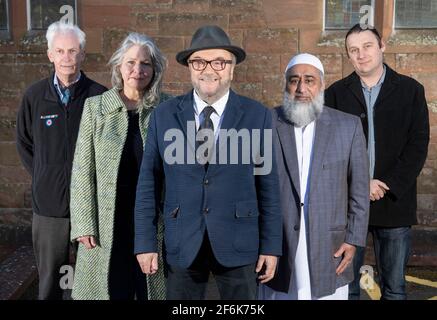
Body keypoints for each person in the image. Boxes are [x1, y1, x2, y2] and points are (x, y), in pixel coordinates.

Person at [134, 25, 282, 300]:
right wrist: (144, 243)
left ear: (231, 69)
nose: (209, 69)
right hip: (183, 241)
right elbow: (148, 183)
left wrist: (271, 247)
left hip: (240, 242)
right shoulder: (164, 115)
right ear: (190, 67)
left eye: (219, 62)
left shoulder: (256, 115)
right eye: (199, 62)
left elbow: (269, 186)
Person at [325, 24, 430, 300]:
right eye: (354, 50)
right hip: (348, 205)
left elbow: (417, 146)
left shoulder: (411, 91)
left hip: (393, 201)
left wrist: (387, 185)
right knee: (344, 288)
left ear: (382, 46)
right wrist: (359, 184)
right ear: (348, 55)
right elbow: (329, 150)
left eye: (367, 46)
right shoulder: (335, 94)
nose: (361, 54)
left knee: (394, 289)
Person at [259, 53, 369, 300]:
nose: (301, 88)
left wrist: (353, 239)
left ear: (321, 85)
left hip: (329, 244)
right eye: (294, 80)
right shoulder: (265, 122)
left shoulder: (348, 126)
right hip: (280, 244)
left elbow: (359, 190)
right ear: (285, 84)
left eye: (309, 80)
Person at [69, 33, 170, 300]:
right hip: (106, 222)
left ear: (155, 68)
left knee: (150, 288)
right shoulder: (96, 108)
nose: (138, 70)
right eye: (131, 62)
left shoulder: (168, 109)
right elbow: (82, 169)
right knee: (111, 288)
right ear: (119, 67)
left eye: (146, 63)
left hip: (152, 221)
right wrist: (83, 223)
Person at [15, 22, 106, 300]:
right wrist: (46, 176)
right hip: (49, 208)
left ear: (82, 55)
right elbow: (25, 144)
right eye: (60, 51)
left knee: (91, 284)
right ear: (50, 55)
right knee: (50, 284)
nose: (67, 57)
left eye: (73, 51)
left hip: (91, 209)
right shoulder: (34, 97)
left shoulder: (100, 97)